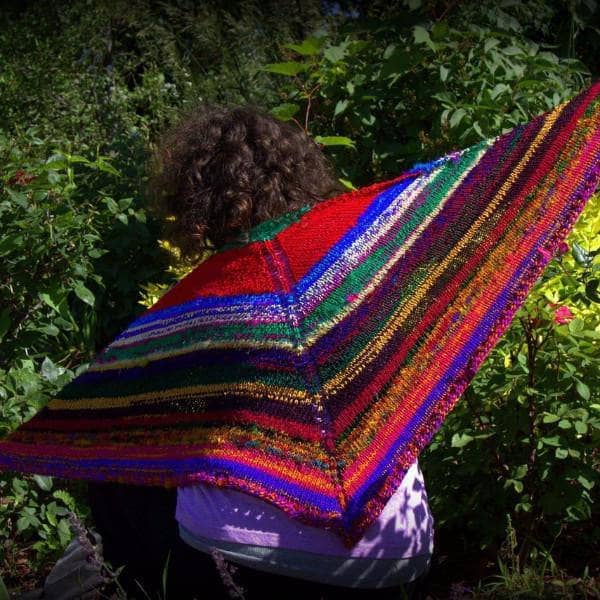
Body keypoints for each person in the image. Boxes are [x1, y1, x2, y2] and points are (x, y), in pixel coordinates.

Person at [88, 104, 434, 599]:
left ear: (197, 201)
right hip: (399, 560)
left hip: (252, 568)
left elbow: (169, 424)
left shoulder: (203, 302)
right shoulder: (365, 274)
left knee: (111, 462)